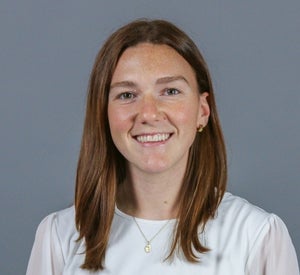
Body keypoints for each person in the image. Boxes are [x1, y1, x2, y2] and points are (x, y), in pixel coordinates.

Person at [26, 19, 299, 275]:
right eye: (127, 95)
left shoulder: (257, 236)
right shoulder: (59, 237)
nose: (148, 113)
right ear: (103, 114)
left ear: (203, 111)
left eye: (170, 91)